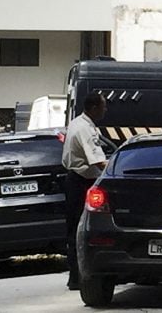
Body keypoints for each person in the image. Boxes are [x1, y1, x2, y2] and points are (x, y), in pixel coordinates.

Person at [61, 92, 109, 291]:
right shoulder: (85, 130)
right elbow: (97, 161)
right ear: (94, 108)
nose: (105, 110)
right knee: (82, 231)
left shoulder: (78, 123)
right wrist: (115, 172)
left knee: (74, 230)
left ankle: (75, 276)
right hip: (81, 182)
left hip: (75, 179)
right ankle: (77, 277)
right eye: (103, 106)